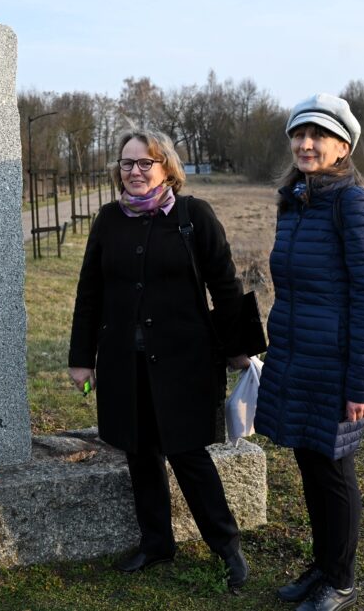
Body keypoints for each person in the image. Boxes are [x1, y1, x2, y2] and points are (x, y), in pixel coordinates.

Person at [68, 129, 256, 591]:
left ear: (166, 168)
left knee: (188, 453)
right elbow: (90, 292)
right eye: (126, 163)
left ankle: (227, 547)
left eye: (144, 163)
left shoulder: (194, 216)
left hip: (184, 360)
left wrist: (239, 349)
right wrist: (81, 358)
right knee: (139, 452)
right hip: (123, 362)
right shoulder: (109, 220)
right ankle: (156, 544)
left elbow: (226, 286)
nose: (134, 171)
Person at [255, 94, 364, 611]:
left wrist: (362, 384)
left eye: (318, 135)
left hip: (335, 366)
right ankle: (322, 564)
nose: (305, 144)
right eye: (298, 134)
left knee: (334, 473)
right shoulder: (295, 201)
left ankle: (341, 579)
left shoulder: (353, 204)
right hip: (297, 358)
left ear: (343, 147)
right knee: (311, 465)